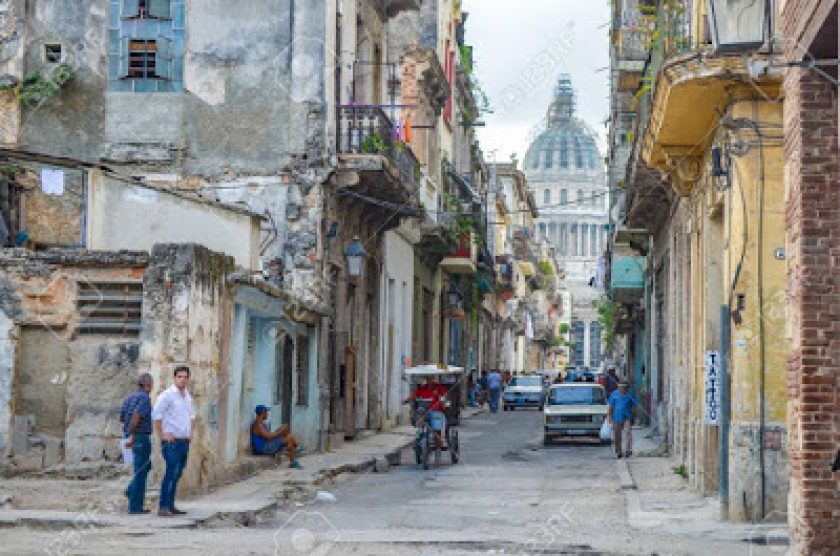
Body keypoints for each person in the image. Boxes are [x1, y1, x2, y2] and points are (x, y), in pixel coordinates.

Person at [152, 365, 195, 517]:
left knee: (178, 473)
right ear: (174, 378)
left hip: (184, 441)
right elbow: (156, 415)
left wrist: (190, 433)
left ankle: (171, 505)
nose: (182, 380)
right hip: (171, 442)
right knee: (171, 471)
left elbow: (191, 416)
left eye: (185, 377)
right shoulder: (167, 395)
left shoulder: (187, 396)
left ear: (188, 379)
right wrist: (162, 435)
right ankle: (163, 506)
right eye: (179, 377)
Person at [120, 373, 153, 514]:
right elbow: (136, 417)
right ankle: (135, 506)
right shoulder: (145, 398)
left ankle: (130, 491)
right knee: (140, 471)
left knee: (144, 467)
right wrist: (133, 435)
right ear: (148, 385)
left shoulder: (128, 398)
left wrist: (128, 434)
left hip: (128, 436)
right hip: (139, 437)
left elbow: (122, 418)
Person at [406, 376, 447, 459]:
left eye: (431, 378)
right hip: (424, 411)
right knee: (419, 419)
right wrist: (407, 400)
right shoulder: (422, 388)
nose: (429, 380)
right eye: (427, 378)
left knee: (437, 429)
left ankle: (438, 448)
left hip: (436, 411)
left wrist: (443, 400)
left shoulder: (439, 388)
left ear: (434, 378)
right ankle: (420, 438)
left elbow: (445, 396)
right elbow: (414, 395)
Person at [607, 381, 638, 459]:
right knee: (617, 435)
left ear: (627, 388)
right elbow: (610, 405)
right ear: (618, 387)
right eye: (621, 387)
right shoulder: (614, 394)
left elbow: (633, 407)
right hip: (617, 417)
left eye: (625, 388)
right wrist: (609, 416)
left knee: (628, 433)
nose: (623, 389)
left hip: (628, 416)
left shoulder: (630, 394)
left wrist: (634, 418)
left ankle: (628, 450)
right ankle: (618, 451)